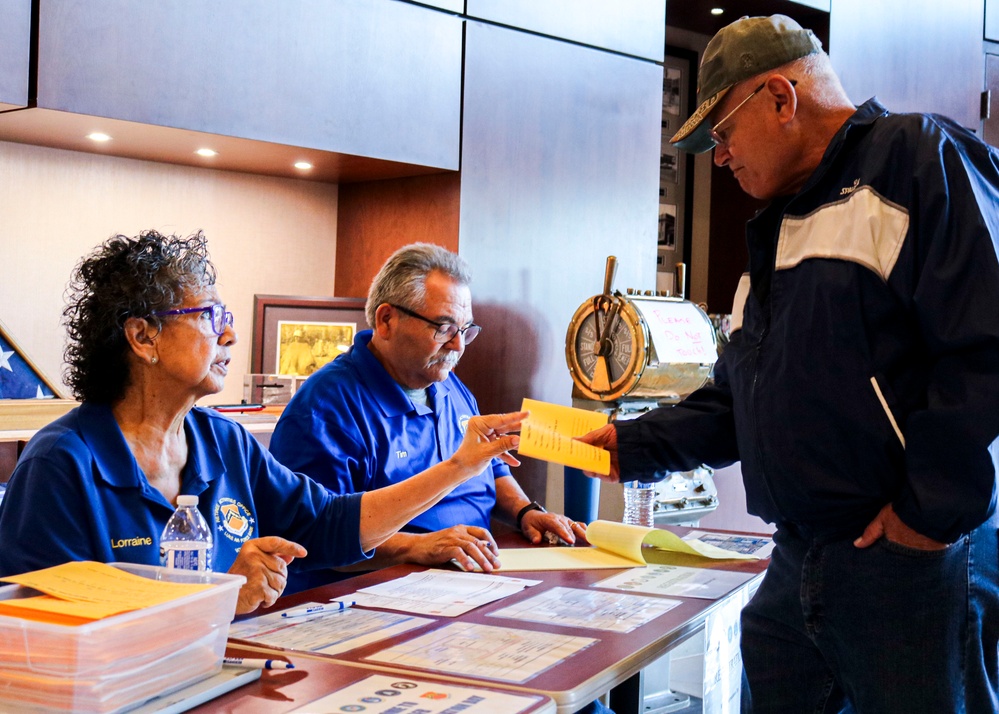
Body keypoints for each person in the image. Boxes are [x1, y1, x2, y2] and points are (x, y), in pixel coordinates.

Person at [577, 15, 999, 713]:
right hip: (796, 560)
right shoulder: (776, 227)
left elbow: (986, 349)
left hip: (906, 562)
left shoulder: (917, 158)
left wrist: (922, 519)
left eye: (720, 133)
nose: (718, 158)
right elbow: (741, 397)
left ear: (780, 97)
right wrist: (632, 445)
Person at [0, 230, 525, 616]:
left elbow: (329, 525)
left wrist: (460, 466)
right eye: (208, 317)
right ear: (143, 338)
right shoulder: (63, 463)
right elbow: (46, 631)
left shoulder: (222, 441)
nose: (229, 336)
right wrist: (219, 596)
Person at [270, 243, 587, 586]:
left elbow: (490, 466)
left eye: (466, 331)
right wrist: (417, 546)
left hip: (469, 575)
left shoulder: (446, 383)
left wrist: (525, 512)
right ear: (386, 320)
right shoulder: (324, 408)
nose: (458, 346)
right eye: (444, 328)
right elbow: (310, 538)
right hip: (374, 591)